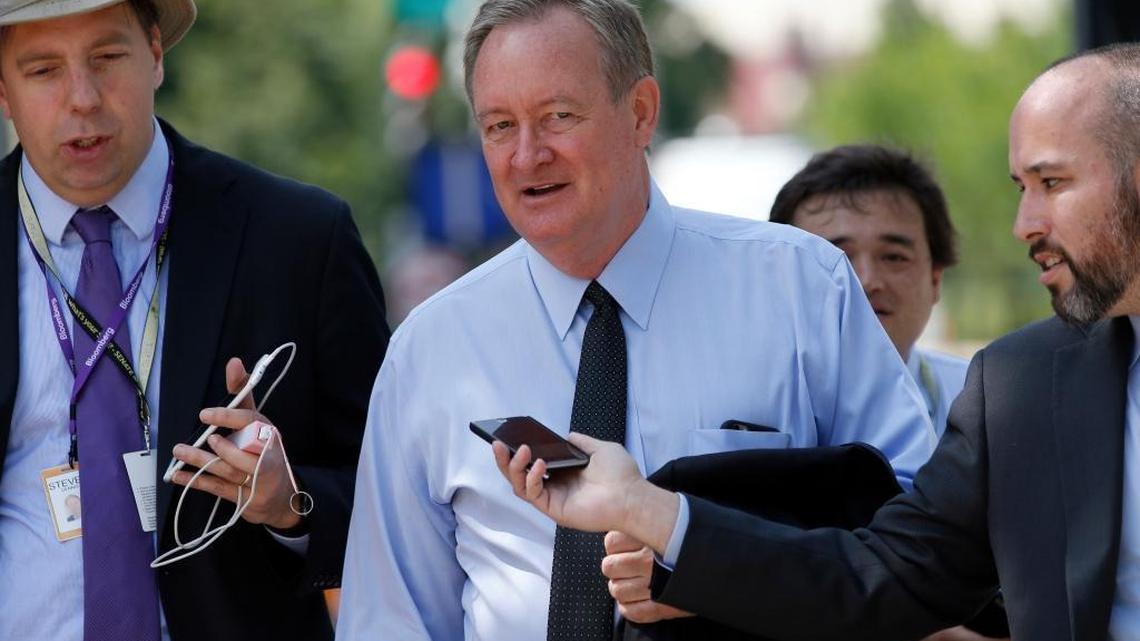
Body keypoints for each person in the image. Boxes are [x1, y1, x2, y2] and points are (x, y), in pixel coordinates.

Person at [496, 42, 1140, 641]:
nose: (1025, 223)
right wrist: (643, 510)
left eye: (1052, 183)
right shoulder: (1019, 385)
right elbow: (877, 578)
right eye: (1020, 189)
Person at [337, 1, 935, 640]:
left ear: (642, 112)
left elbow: (919, 541)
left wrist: (714, 560)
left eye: (558, 117)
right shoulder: (430, 351)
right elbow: (391, 619)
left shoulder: (799, 290)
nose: (526, 155)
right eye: (499, 126)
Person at [0, 2, 390, 641]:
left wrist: (289, 503)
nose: (83, 98)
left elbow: (396, 497)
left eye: (107, 57)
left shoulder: (299, 240)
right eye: (43, 70)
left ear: (155, 53)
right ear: (3, 92)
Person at [769, 145, 968, 437]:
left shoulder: (986, 409)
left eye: (893, 257)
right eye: (834, 259)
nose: (866, 281)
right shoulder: (741, 403)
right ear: (780, 282)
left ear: (935, 278)